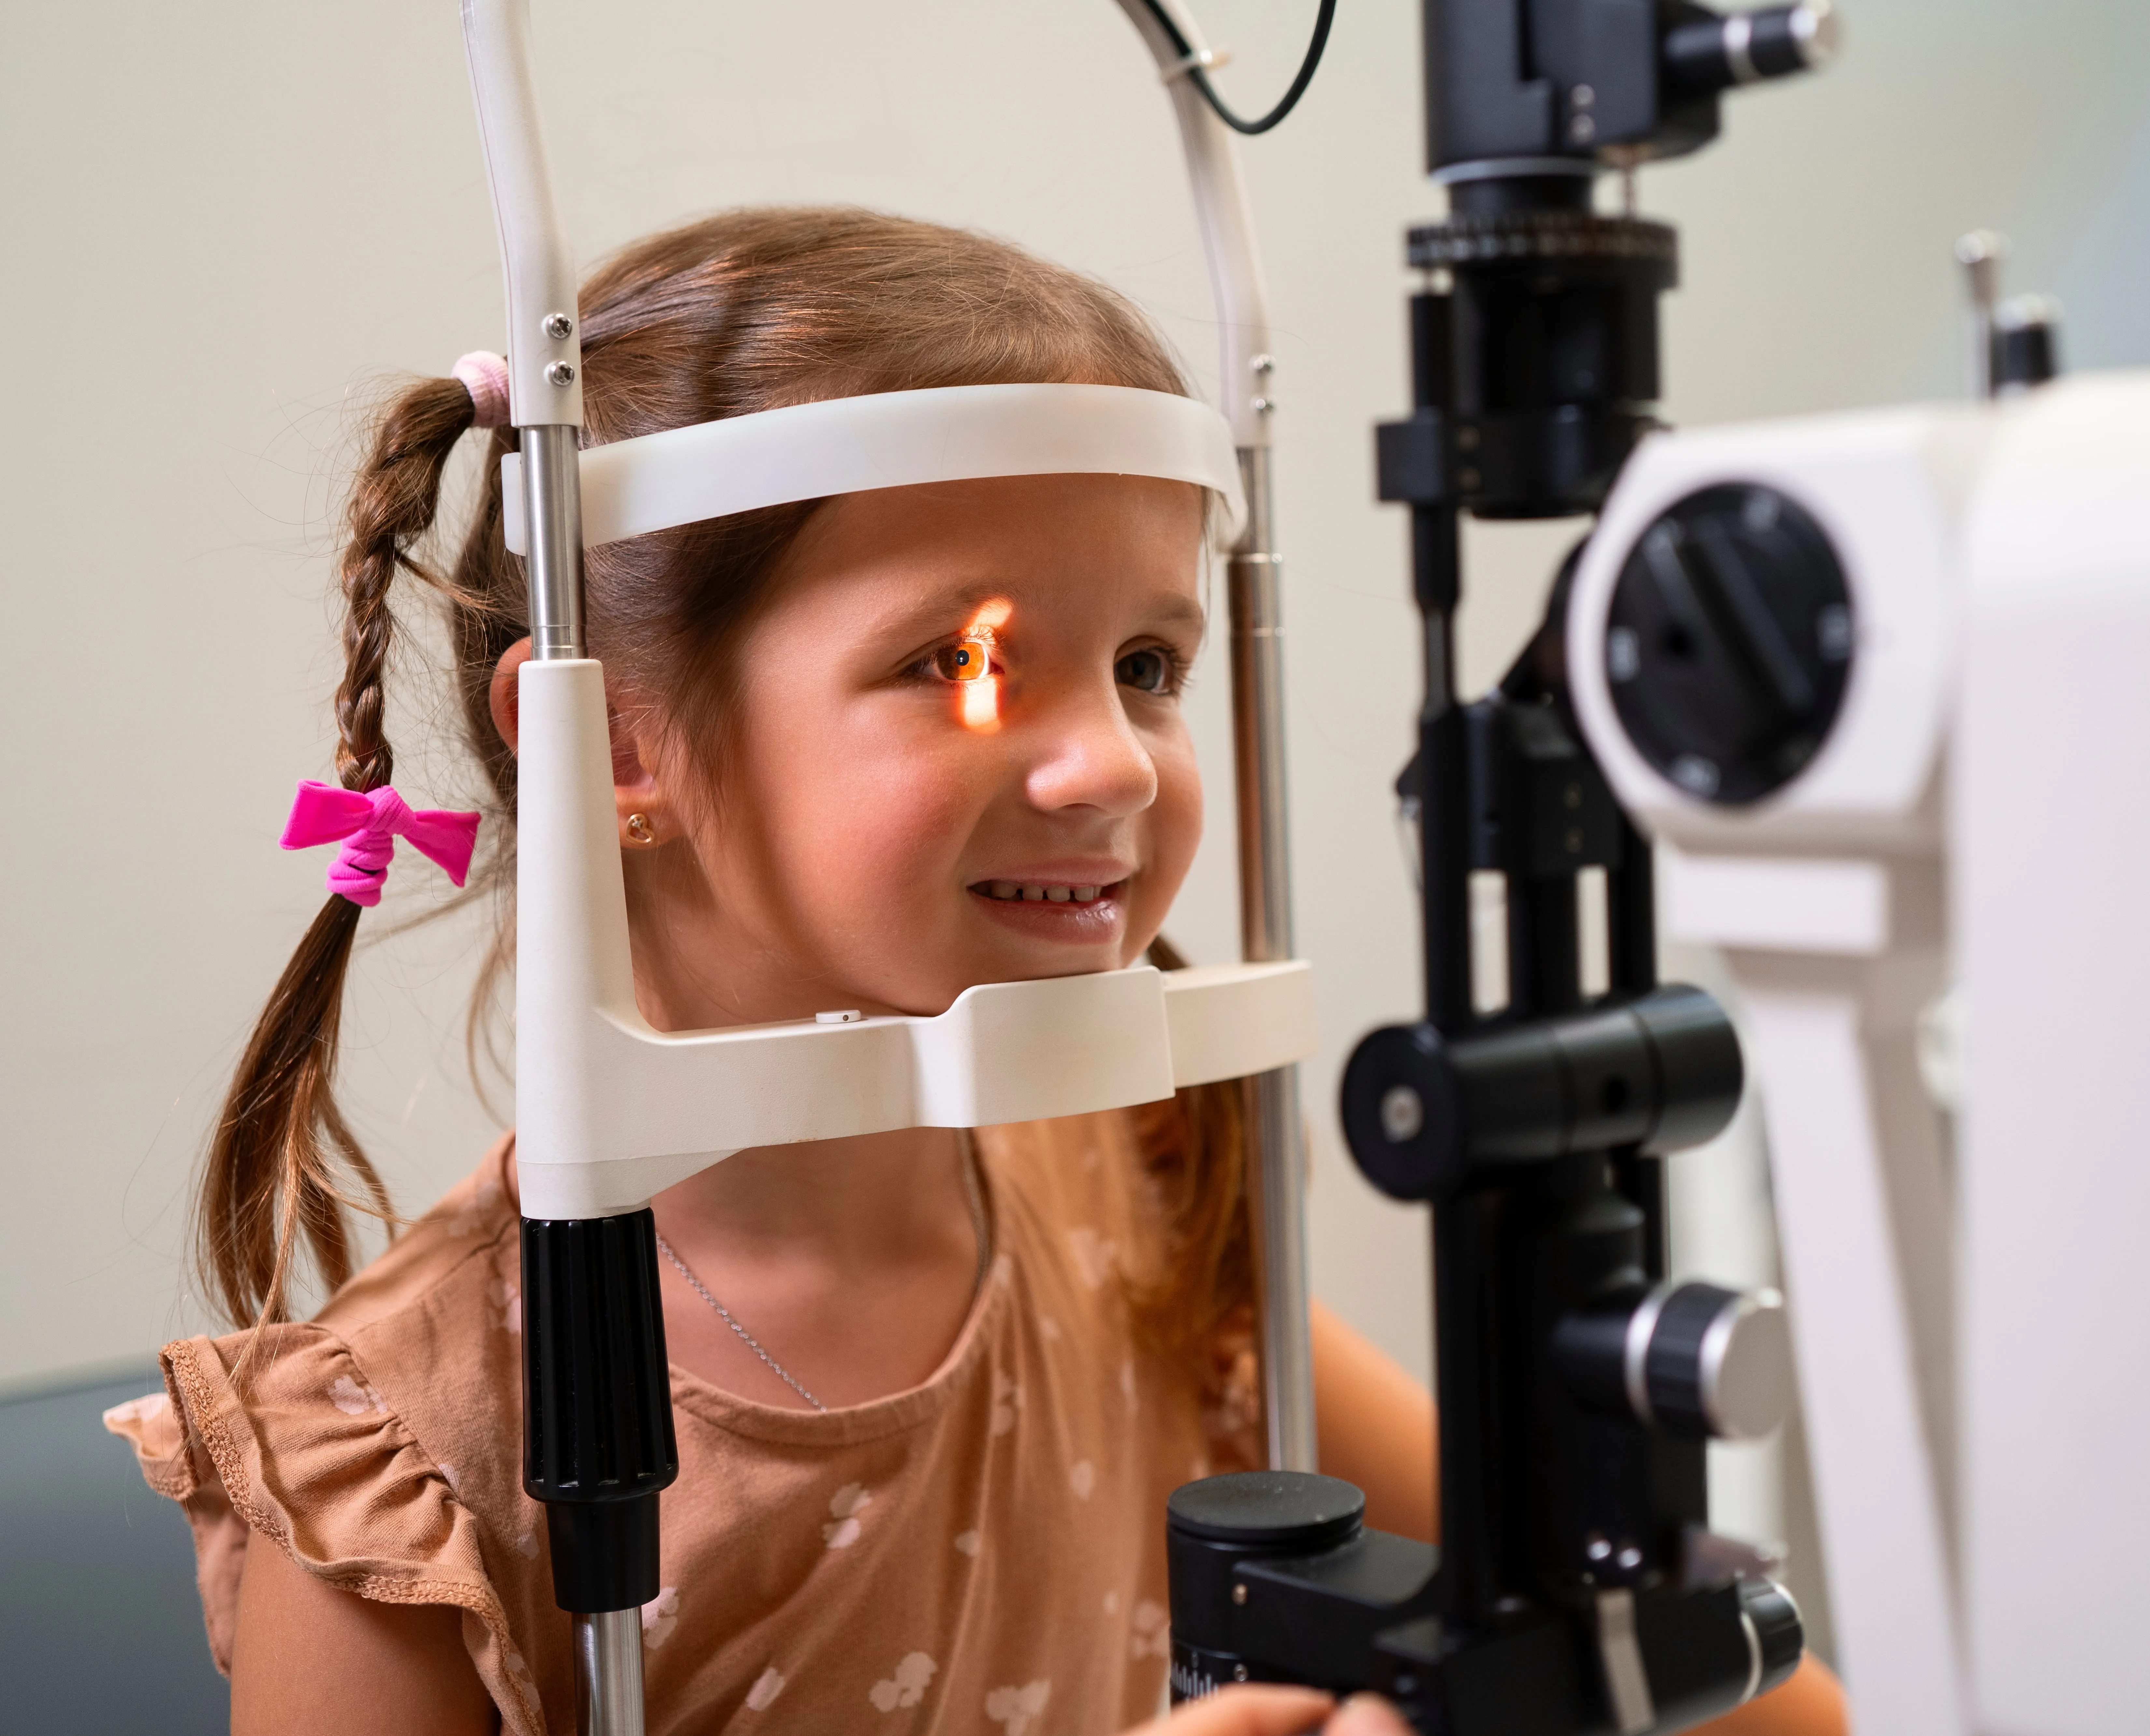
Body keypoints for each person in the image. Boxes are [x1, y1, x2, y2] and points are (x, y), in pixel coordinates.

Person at [106, 206, 1847, 1736]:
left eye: (1150, 662)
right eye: (964, 662)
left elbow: (1650, 1650)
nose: (1113, 766)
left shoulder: (1139, 1196)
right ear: (614, 743)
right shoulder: (398, 1463)